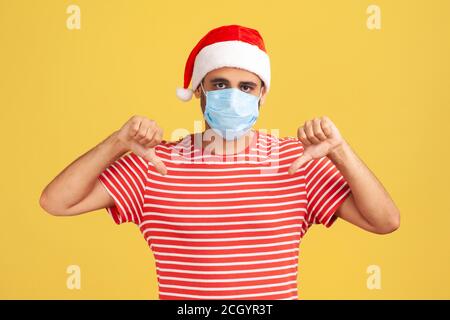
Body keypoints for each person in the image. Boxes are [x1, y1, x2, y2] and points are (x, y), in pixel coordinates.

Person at [40, 25, 400, 300]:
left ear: (262, 95)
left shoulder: (297, 160)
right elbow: (56, 202)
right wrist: (117, 143)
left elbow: (385, 221)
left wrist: (340, 150)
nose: (233, 95)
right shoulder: (153, 163)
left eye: (246, 86)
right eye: (219, 83)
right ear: (199, 89)